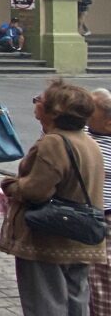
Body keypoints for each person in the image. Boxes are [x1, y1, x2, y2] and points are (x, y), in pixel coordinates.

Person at [0, 81, 104, 315]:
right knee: (75, 300)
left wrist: (12, 186)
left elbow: (36, 191)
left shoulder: (54, 142)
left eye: (40, 100)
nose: (36, 103)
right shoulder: (86, 140)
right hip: (78, 236)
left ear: (54, 112)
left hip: (49, 239)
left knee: (45, 303)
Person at [86, 88, 111, 316]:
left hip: (105, 215)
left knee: (102, 278)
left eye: (90, 111)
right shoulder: (82, 131)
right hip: (84, 215)